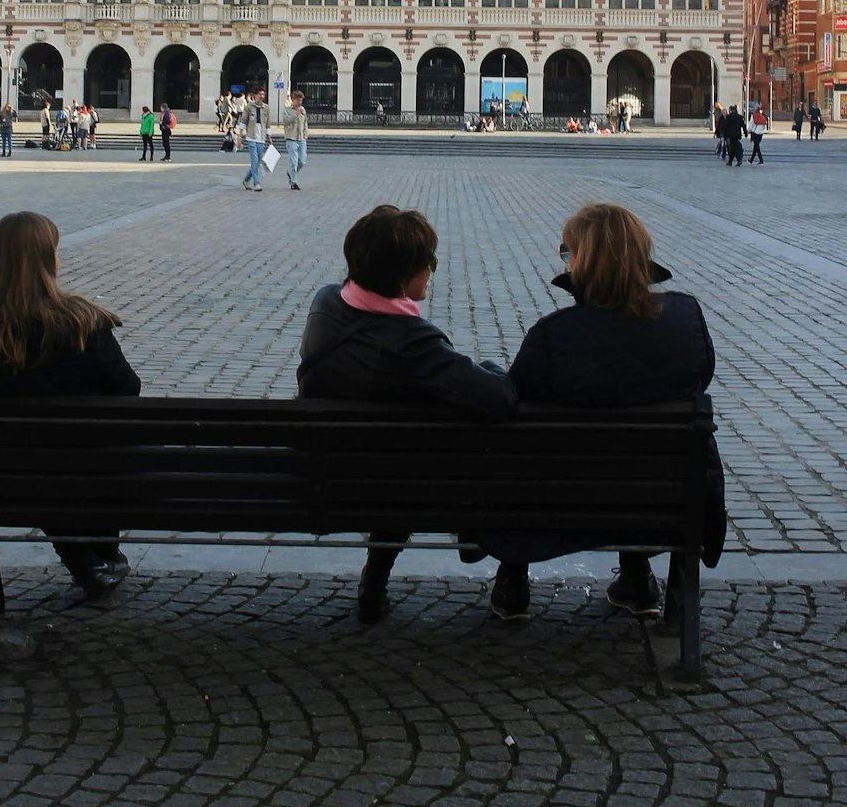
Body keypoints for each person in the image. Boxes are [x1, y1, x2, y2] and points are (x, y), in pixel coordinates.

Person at [503, 202, 726, 620]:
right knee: (643, 445)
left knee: (523, 452)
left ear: (582, 262)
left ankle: (511, 581)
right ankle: (640, 577)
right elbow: (698, 379)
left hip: (561, 501)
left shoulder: (553, 337)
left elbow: (515, 410)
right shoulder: (685, 320)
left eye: (568, 253)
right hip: (668, 502)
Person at [297, 204, 518, 623]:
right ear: (403, 276)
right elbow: (498, 399)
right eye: (428, 263)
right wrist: (489, 367)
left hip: (317, 471)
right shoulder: (413, 344)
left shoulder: (326, 302)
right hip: (389, 481)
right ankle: (483, 536)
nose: (432, 271)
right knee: (443, 446)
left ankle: (374, 582)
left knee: (390, 450)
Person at [0, 211, 139, 601]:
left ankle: (89, 559)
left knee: (36, 466)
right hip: (81, 477)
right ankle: (98, 553)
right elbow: (127, 395)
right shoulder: (85, 327)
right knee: (84, 458)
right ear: (50, 260)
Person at [240, 87, 272, 191]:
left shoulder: (266, 108)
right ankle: (256, 183)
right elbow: (244, 120)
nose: (261, 96)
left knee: (257, 162)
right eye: (259, 94)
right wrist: (240, 136)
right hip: (251, 136)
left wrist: (269, 136)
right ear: (255, 95)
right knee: (254, 161)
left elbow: (267, 123)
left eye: (263, 94)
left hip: (261, 137)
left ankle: (246, 179)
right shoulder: (249, 106)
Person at [283, 90, 309, 190]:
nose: (300, 102)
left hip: (301, 138)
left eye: (301, 100)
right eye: (298, 100)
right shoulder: (287, 110)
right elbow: (285, 122)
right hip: (291, 138)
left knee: (302, 161)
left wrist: (306, 134)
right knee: (294, 162)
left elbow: (305, 123)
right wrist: (296, 114)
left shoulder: (303, 109)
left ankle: (291, 173)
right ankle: (294, 182)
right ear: (293, 100)